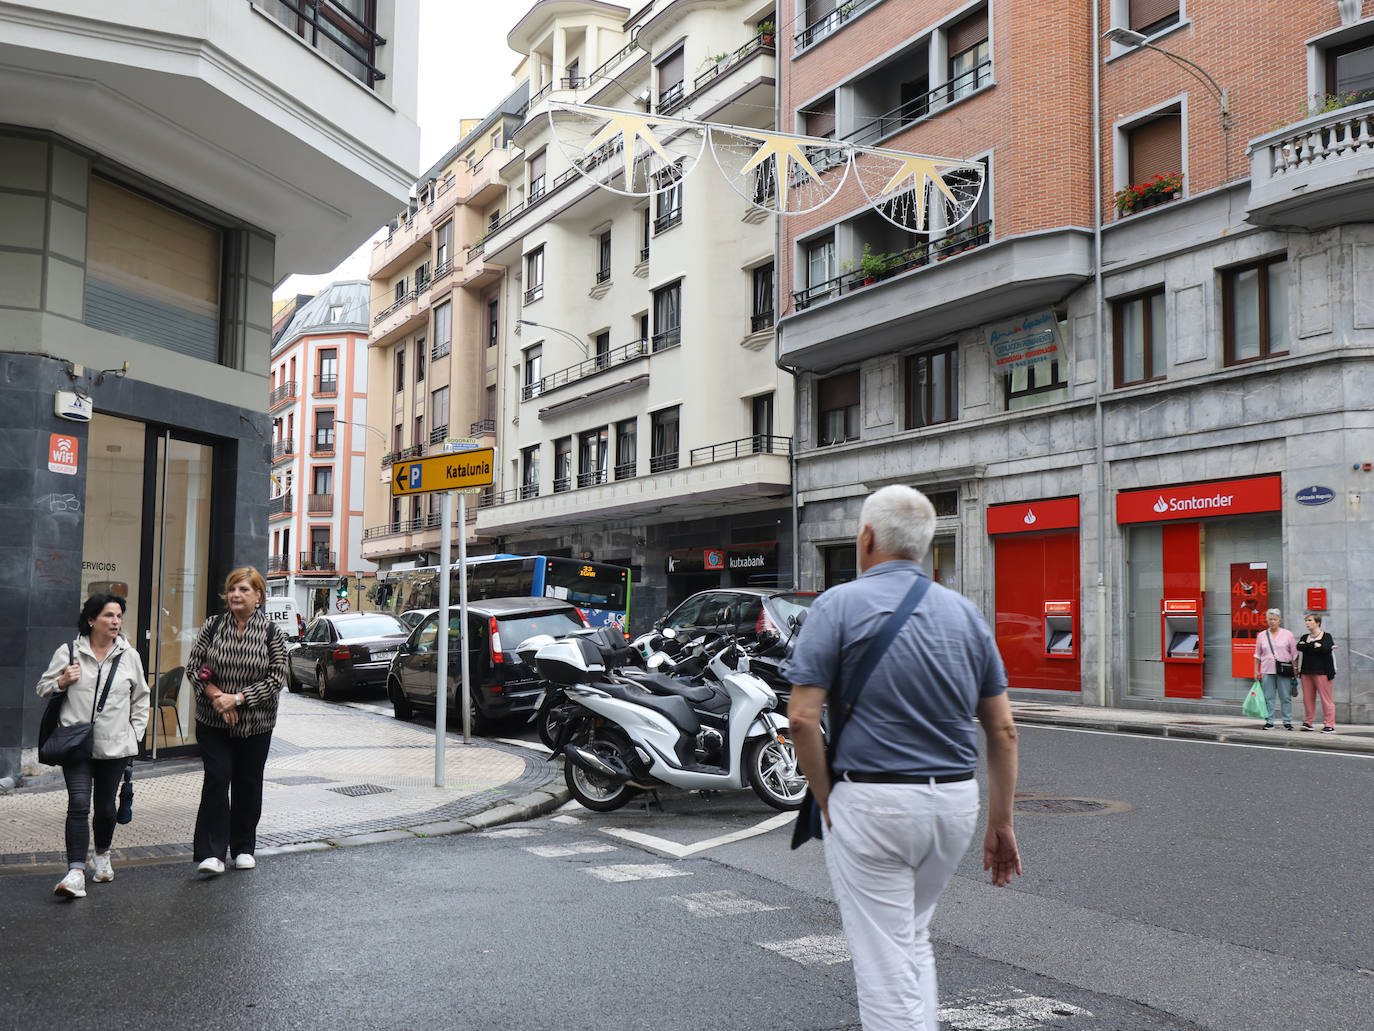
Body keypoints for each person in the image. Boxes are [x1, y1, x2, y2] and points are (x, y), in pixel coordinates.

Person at [785, 485, 1021, 1031]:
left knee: (883, 965)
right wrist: (1002, 821)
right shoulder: (965, 615)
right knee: (911, 936)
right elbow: (1003, 729)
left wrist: (826, 799)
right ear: (923, 546)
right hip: (954, 804)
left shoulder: (838, 604)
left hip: (873, 801)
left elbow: (801, 718)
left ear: (865, 538)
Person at [36, 593, 149, 899]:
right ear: (91, 620)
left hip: (115, 746)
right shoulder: (69, 651)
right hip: (76, 744)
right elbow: (42, 687)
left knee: (105, 808)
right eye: (108, 616)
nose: (115, 622)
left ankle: (102, 853)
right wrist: (62, 681)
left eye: (118, 616)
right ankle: (75, 871)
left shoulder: (130, 656)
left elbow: (141, 699)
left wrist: (134, 735)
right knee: (78, 805)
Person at [188, 566, 288, 876]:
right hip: (213, 721)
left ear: (259, 595)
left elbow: (277, 678)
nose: (235, 594)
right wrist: (220, 698)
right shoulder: (213, 626)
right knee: (217, 779)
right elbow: (194, 668)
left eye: (244, 589)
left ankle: (243, 847)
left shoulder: (273, 633)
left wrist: (240, 699)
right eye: (232, 589)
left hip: (255, 725)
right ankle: (212, 853)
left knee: (248, 783)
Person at [1253, 608, 1297, 730]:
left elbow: (1294, 654)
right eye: (1270, 619)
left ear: (1280, 621)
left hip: (1284, 670)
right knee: (1269, 697)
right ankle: (1269, 721)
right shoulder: (1262, 635)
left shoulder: (1288, 634)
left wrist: (1295, 669)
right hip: (1267, 670)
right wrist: (1256, 670)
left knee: (1285, 697)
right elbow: (1257, 655)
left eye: (1274, 619)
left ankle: (1287, 721)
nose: (1272, 621)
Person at [1296, 612, 1337, 733]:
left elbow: (1326, 648)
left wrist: (1311, 646)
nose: (1307, 623)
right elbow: (1299, 647)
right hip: (1306, 672)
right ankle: (1308, 722)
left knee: (1326, 699)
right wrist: (1315, 645)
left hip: (1323, 671)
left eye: (1310, 620)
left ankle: (1329, 724)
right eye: (1306, 621)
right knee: (1308, 698)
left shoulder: (1326, 636)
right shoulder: (1304, 637)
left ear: (1317, 622)